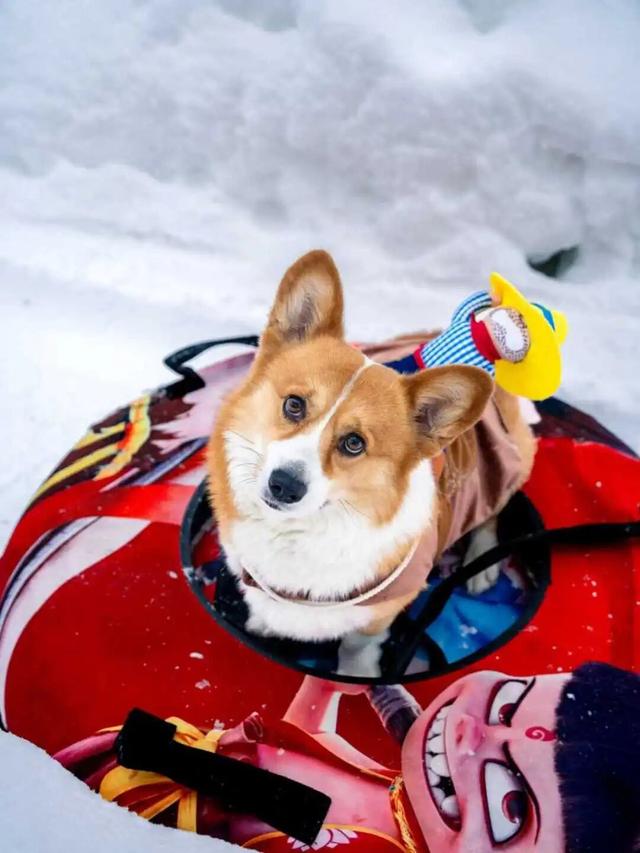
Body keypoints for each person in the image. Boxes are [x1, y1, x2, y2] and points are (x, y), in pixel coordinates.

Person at [55, 661, 639, 852]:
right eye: (510, 700)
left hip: (143, 818)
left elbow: (277, 801)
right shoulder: (397, 794)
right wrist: (324, 684)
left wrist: (180, 762)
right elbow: (309, 744)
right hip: (141, 768)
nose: (466, 731)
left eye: (511, 803)